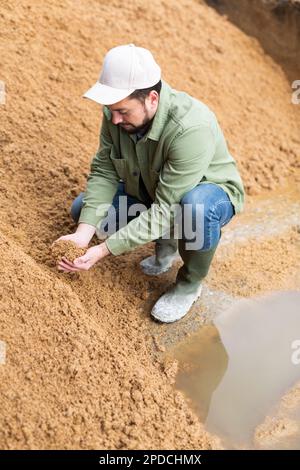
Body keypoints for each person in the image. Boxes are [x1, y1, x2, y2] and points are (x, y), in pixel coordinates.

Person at [54, 43, 245, 323]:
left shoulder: (190, 128)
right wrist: (83, 235)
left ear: (152, 99)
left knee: (194, 210)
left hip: (207, 197)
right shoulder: (115, 114)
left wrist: (103, 250)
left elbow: (168, 207)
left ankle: (189, 285)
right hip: (152, 190)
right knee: (82, 210)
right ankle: (165, 242)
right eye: (111, 110)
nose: (114, 119)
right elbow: (104, 171)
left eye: (123, 111)